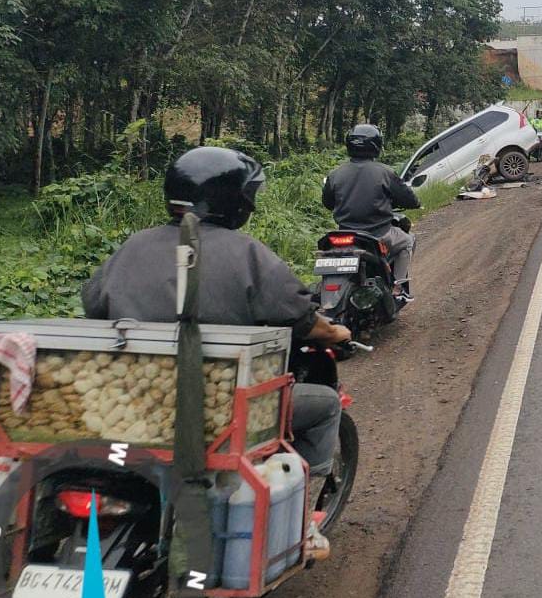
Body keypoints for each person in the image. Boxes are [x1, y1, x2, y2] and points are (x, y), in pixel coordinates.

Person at [83, 146, 351, 482]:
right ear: (233, 200)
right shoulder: (248, 254)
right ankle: (304, 512)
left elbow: (93, 305)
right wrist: (338, 333)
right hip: (215, 409)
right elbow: (301, 318)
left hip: (129, 400)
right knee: (326, 402)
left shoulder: (133, 246)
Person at [323, 125, 421, 300]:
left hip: (344, 233)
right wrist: (415, 203)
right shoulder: (385, 172)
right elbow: (408, 198)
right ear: (376, 145)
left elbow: (328, 203)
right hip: (378, 234)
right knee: (408, 240)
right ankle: (398, 288)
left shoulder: (334, 174)